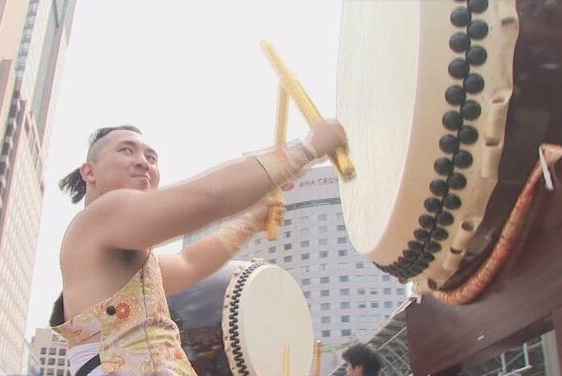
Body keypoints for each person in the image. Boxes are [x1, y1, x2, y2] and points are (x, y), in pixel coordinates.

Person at [48, 122, 346, 375]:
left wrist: (249, 222)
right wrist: (305, 149)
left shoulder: (130, 266)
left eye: (151, 157)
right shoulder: (99, 216)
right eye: (127, 150)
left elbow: (190, 263)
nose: (143, 162)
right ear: (89, 172)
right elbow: (208, 197)